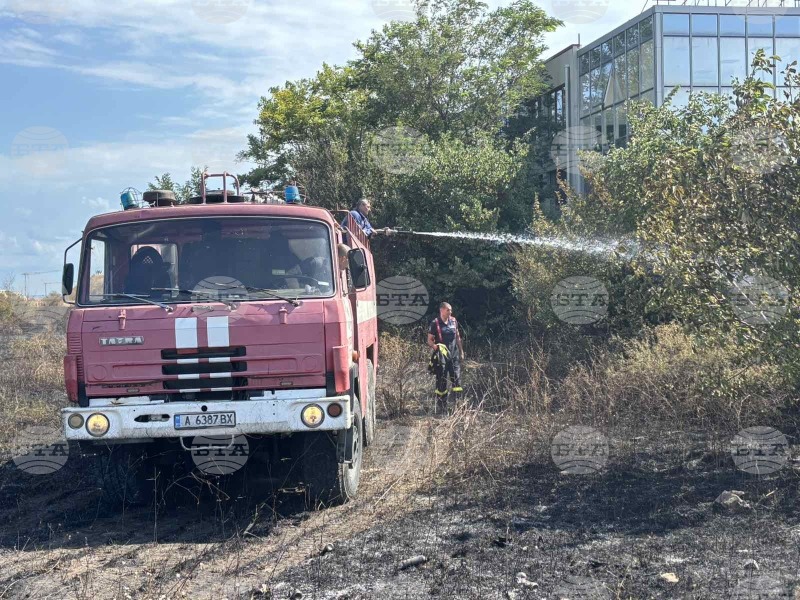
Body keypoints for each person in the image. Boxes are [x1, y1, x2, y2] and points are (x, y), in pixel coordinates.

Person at [427, 302, 464, 414]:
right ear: (442, 310)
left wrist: (461, 351)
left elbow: (457, 337)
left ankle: (458, 406)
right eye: (448, 310)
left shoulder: (454, 321)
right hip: (442, 357)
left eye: (451, 310)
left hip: (454, 355)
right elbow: (429, 340)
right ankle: (442, 407)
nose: (450, 312)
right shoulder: (435, 323)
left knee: (457, 379)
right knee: (441, 380)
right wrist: (435, 347)